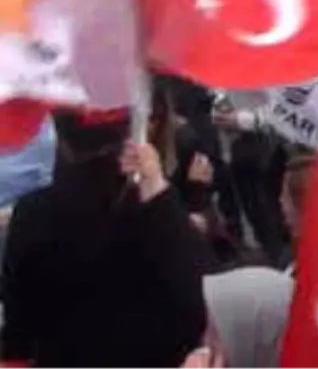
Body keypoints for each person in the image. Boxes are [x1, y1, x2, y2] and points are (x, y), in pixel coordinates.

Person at [1, 110, 208, 367]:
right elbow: (200, 299)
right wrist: (162, 192)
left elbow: (18, 324)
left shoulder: (34, 212)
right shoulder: (154, 207)